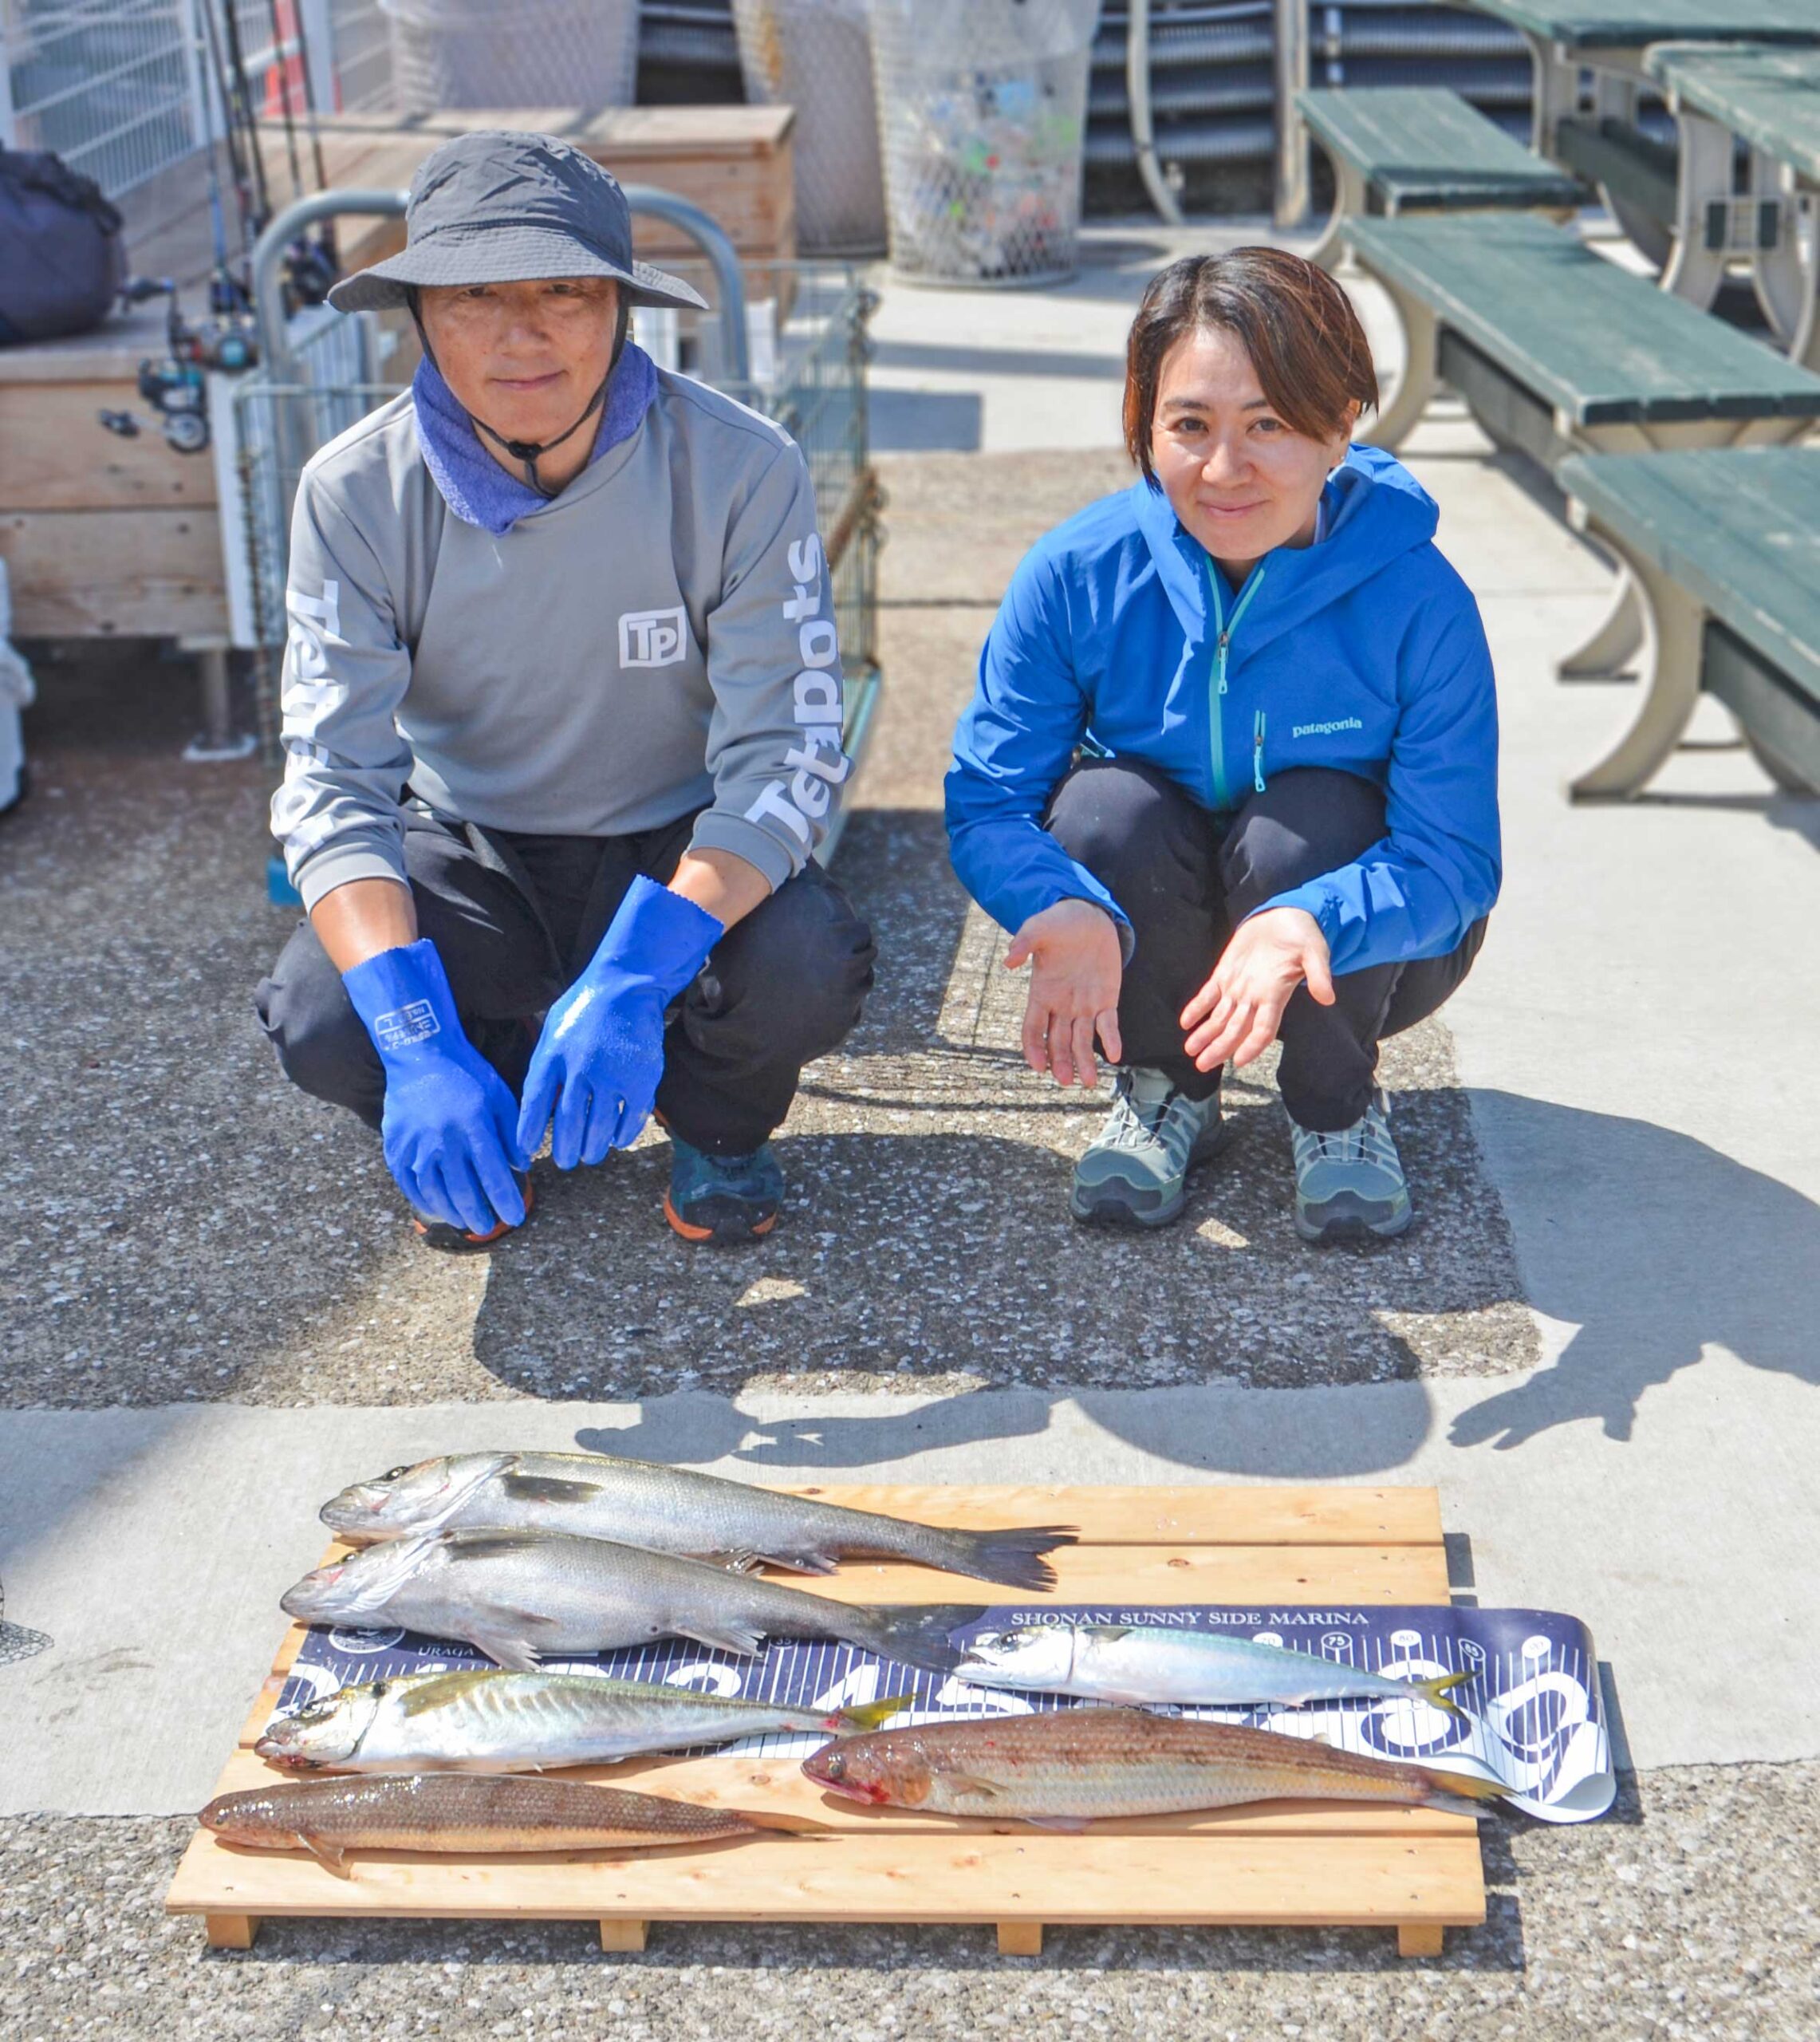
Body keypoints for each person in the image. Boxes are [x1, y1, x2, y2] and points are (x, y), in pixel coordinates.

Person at [255, 132, 874, 1251]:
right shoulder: (351, 492)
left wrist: (637, 972)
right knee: (323, 1012)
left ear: (621, 308)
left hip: (675, 838)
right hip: (471, 840)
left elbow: (785, 752)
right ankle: (476, 1096)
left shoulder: (740, 466)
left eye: (564, 291)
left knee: (805, 959)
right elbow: (334, 782)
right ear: (418, 314)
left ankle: (718, 1123)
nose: (521, 333)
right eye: (473, 295)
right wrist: (413, 1043)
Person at [945, 248, 1499, 1243]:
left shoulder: (1420, 599)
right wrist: (1055, 900)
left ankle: (1334, 1105)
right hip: (1159, 912)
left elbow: (1455, 859)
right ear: (1143, 425)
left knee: (1311, 825)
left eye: (1268, 424)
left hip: (1350, 940)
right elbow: (987, 799)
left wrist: (1313, 917)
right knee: (1098, 811)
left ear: (1339, 425)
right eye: (1189, 426)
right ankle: (1165, 1085)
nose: (1223, 469)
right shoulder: (1075, 573)